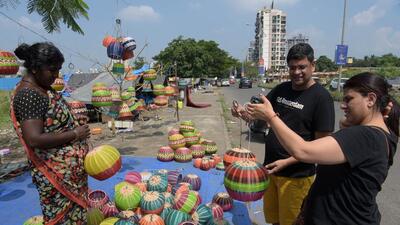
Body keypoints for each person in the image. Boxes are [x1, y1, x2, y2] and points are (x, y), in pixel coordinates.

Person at [246, 72, 399, 224]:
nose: (343, 105)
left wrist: (271, 117)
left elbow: (303, 151)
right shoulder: (383, 135)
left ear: (371, 99)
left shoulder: (364, 136)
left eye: (349, 99)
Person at [232, 43, 335, 225]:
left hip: (297, 178)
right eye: (292, 68)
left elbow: (322, 146)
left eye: (302, 67)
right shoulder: (281, 89)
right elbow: (260, 117)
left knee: (292, 222)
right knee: (274, 220)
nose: (296, 72)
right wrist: (241, 112)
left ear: (313, 66)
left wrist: (287, 162)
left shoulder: (321, 98)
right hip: (271, 171)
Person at [11, 42, 90, 224]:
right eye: (52, 70)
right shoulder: (29, 95)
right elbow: (34, 138)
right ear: (35, 68)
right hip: (55, 178)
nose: (56, 76)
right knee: (63, 220)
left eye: (58, 70)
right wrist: (75, 134)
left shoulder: (42, 89)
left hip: (69, 175)